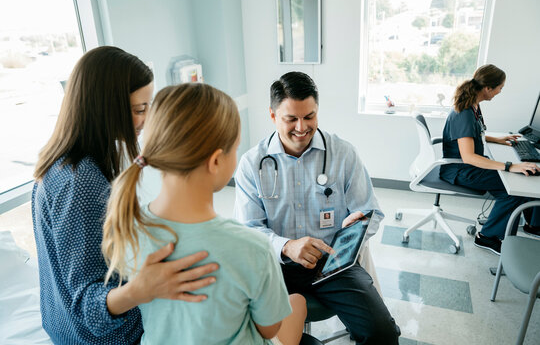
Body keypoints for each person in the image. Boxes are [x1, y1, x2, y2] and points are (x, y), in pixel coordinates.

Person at [32, 46, 218, 344]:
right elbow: (88, 307)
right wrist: (141, 288)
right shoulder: (79, 184)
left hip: (64, 327)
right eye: (139, 109)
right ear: (106, 107)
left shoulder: (63, 164)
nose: (145, 120)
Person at [102, 82, 307, 345]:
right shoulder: (252, 248)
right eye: (235, 148)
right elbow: (268, 329)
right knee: (297, 303)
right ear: (216, 161)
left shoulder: (126, 227)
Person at [234, 71, 400, 344]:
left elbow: (371, 212)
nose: (302, 127)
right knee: (273, 338)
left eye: (309, 116)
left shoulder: (343, 154)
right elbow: (247, 230)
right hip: (274, 267)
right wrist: (287, 246)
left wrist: (358, 226)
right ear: (273, 116)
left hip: (332, 264)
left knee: (382, 333)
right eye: (291, 119)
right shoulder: (253, 164)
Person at [439, 64, 540, 255]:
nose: (500, 92)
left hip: (467, 164)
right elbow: (469, 156)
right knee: (514, 189)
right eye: (500, 88)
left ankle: (533, 224)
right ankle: (487, 237)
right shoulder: (464, 112)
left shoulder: (473, 105)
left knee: (524, 175)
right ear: (488, 88)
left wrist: (496, 139)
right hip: (461, 169)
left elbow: (473, 135)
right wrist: (510, 166)